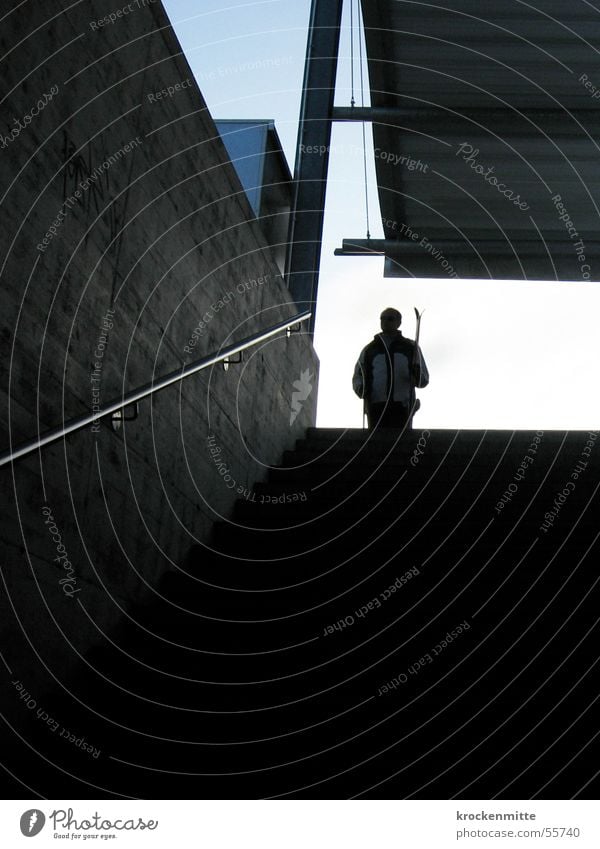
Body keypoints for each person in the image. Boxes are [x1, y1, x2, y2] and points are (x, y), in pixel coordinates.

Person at [352, 307, 429, 429]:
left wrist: (417, 373)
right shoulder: (369, 350)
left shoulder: (410, 348)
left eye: (390, 319)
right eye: (382, 318)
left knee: (401, 444)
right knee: (376, 444)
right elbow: (358, 375)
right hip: (376, 406)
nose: (385, 321)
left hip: (402, 406)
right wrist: (361, 389)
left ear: (399, 322)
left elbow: (423, 380)